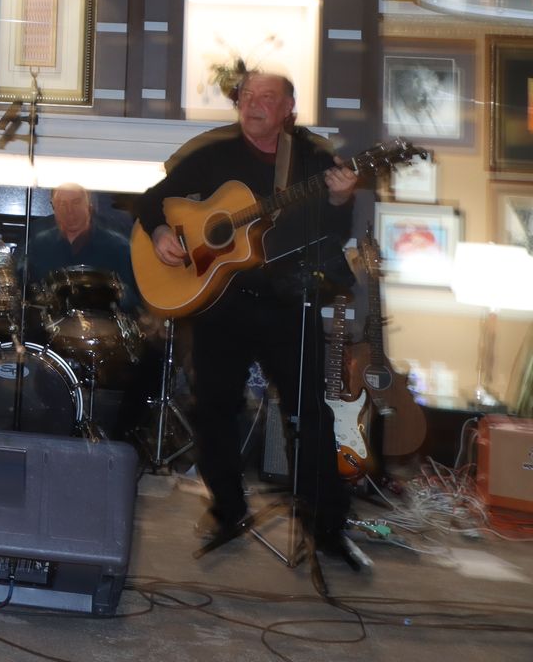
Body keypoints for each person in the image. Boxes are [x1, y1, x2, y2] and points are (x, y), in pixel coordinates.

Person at [136, 70, 369, 570]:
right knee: (212, 407)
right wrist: (159, 232)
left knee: (309, 413)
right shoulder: (213, 156)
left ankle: (326, 528)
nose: (253, 103)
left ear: (289, 107)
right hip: (223, 300)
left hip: (287, 301)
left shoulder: (312, 160)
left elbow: (332, 236)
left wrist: (338, 198)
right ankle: (228, 510)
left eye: (267, 97)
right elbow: (151, 200)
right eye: (246, 95)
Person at [26, 183, 141, 314]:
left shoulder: (118, 247)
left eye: (76, 202)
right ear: (54, 206)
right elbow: (21, 290)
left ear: (89, 205)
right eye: (62, 204)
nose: (69, 210)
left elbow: (135, 301)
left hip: (104, 329)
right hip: (51, 329)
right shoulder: (37, 245)